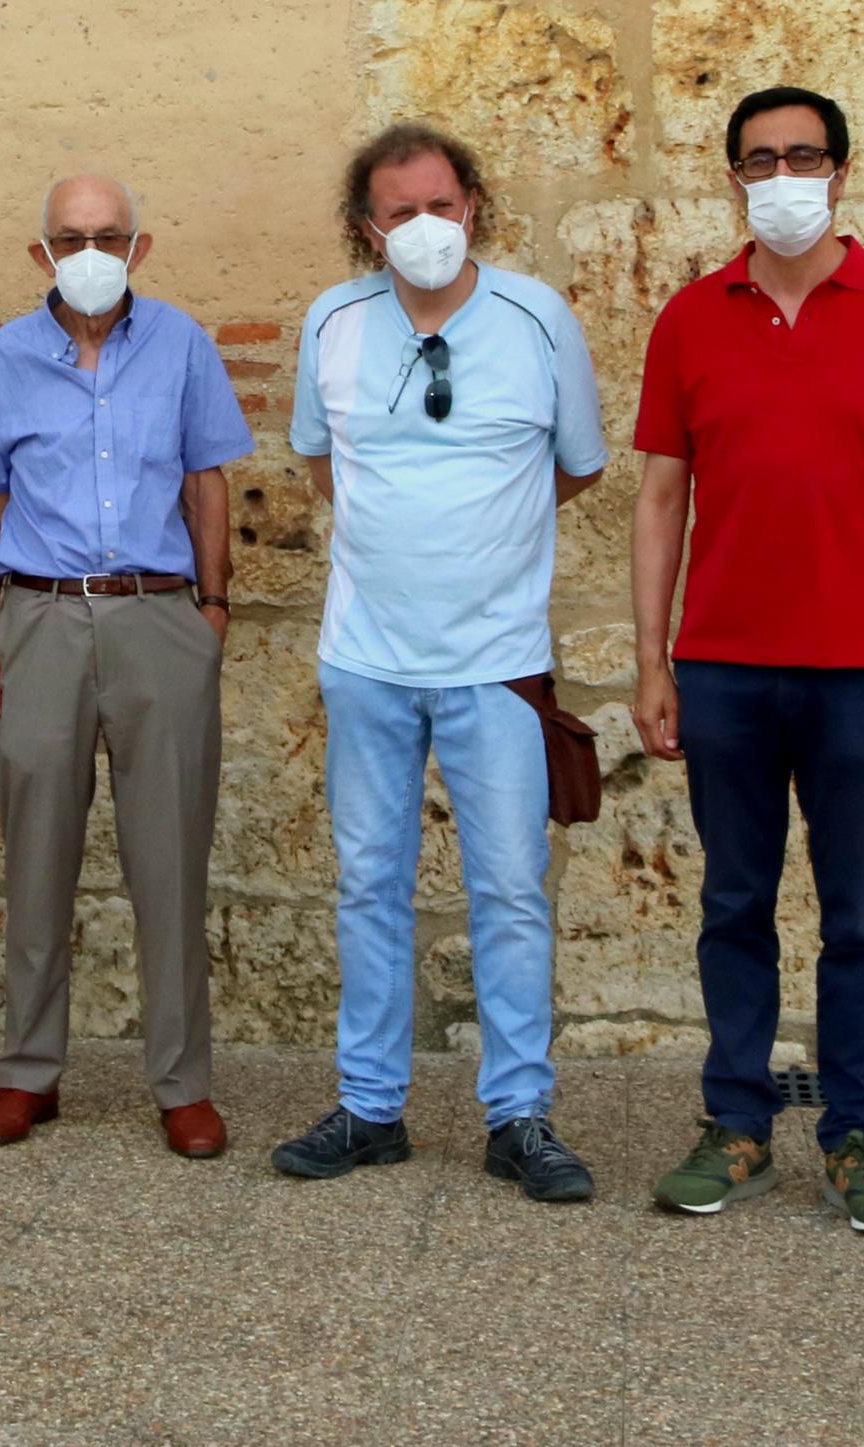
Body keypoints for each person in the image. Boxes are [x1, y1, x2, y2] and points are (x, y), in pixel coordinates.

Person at [632, 85, 864, 1237]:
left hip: (860, 670)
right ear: (730, 176)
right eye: (758, 158)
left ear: (840, 170)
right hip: (723, 665)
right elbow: (660, 496)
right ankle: (733, 1126)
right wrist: (649, 659)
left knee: (857, 914)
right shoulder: (688, 318)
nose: (781, 175)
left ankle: (855, 1135)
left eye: (803, 155)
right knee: (731, 903)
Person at [270, 125, 605, 1203]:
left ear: (474, 204)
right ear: (366, 227)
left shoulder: (535, 318)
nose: (422, 226)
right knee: (368, 885)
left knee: (507, 890)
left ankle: (519, 1115)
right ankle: (370, 1108)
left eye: (440, 204)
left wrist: (482, 549)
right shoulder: (332, 319)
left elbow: (574, 468)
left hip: (496, 663)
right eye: (396, 211)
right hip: (364, 659)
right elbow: (323, 465)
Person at [0, 172, 253, 1160]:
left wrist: (210, 610)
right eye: (70, 235)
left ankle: (181, 1082)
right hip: (38, 618)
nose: (90, 250)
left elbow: (207, 480)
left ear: (139, 246)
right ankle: (27, 1071)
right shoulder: (1, 358)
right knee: (36, 851)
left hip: (157, 618)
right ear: (40, 252)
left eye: (108, 234)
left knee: (168, 855)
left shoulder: (182, 345)